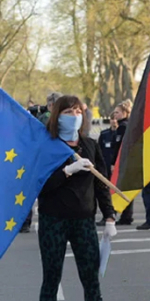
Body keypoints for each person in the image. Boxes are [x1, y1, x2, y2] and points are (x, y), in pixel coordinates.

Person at [38, 95, 117, 301]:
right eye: (68, 112)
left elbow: (101, 184)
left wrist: (109, 216)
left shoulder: (90, 145)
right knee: (51, 279)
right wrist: (67, 171)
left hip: (84, 221)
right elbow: (41, 187)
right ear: (58, 115)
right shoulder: (48, 146)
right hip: (53, 221)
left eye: (78, 111)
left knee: (91, 279)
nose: (74, 116)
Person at [20, 92, 63, 233]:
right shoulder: (53, 118)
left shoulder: (45, 117)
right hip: (53, 161)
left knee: (33, 190)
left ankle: (25, 222)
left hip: (40, 159)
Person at [111, 100, 133, 225]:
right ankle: (126, 215)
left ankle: (126, 216)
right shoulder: (122, 126)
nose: (115, 115)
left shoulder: (124, 127)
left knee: (122, 188)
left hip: (123, 161)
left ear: (125, 113)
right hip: (125, 161)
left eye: (118, 112)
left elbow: (119, 147)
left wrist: (114, 163)